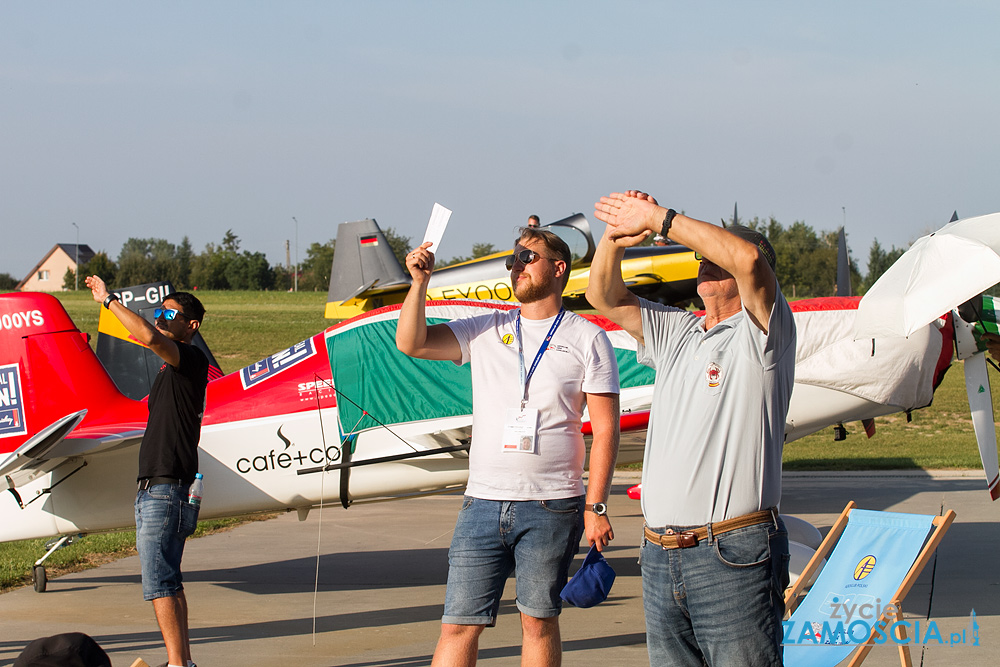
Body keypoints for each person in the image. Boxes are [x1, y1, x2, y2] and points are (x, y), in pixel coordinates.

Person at [586, 191, 796, 666]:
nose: (706, 266)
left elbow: (744, 258)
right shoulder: (679, 330)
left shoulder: (764, 332)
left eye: (716, 260)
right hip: (660, 553)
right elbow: (603, 294)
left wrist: (659, 219)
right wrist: (617, 234)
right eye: (703, 259)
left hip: (732, 552)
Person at [396, 227, 621, 667]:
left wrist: (596, 507)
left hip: (553, 505)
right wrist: (419, 283)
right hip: (482, 502)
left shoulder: (588, 338)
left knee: (538, 621)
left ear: (558, 268)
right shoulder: (486, 327)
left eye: (526, 257)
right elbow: (413, 342)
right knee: (458, 624)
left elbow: (606, 430)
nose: (515, 266)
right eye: (512, 260)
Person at [85, 276, 209, 667]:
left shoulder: (189, 359)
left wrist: (109, 302)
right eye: (158, 312)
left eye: (168, 313)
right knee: (169, 580)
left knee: (159, 583)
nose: (160, 318)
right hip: (158, 486)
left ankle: (176, 665)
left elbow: (152, 340)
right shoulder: (169, 371)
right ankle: (182, 662)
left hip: (166, 487)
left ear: (192, 325)